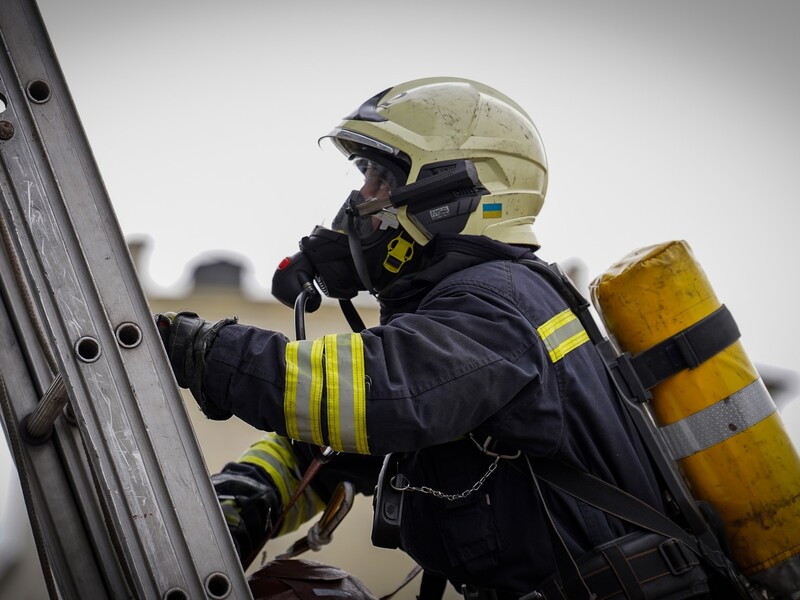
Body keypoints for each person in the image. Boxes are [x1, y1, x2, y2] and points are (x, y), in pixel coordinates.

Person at [156, 77, 715, 599]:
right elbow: (343, 450)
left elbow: (379, 396)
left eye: (384, 180)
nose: (361, 202)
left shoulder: (498, 301)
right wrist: (254, 493)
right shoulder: (466, 305)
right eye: (363, 178)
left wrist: (195, 349)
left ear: (458, 191)